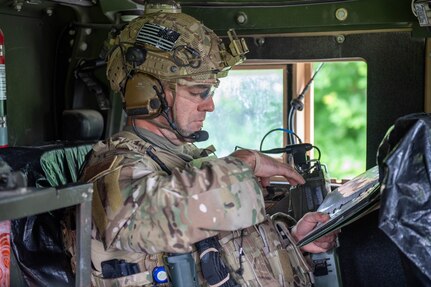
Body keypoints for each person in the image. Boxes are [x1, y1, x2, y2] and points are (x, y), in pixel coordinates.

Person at [79, 2, 338, 286]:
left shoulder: (183, 160)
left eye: (210, 91)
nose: (210, 105)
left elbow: (226, 251)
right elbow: (151, 217)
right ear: (147, 92)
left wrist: (293, 241)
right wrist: (244, 163)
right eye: (198, 92)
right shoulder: (113, 170)